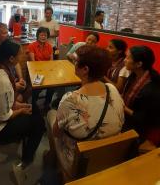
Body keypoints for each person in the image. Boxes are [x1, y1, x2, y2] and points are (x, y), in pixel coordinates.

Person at [47, 45, 124, 176]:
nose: (74, 63)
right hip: (109, 158)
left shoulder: (70, 99)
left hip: (80, 164)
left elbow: (56, 133)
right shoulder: (112, 89)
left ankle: (52, 161)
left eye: (76, 61)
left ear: (85, 69)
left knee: (50, 115)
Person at [0, 39, 45, 167]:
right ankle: (27, 159)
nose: (23, 55)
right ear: (11, 58)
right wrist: (20, 110)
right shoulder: (2, 81)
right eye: (20, 54)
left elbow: (5, 102)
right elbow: (4, 117)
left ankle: (35, 132)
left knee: (34, 108)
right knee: (38, 123)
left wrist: (19, 106)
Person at [123, 46, 160, 146]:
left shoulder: (152, 88)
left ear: (139, 64)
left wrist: (123, 107)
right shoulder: (134, 75)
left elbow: (145, 119)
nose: (124, 60)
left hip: (140, 128)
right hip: (129, 119)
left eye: (128, 58)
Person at [28, 27, 54, 110]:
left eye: (45, 35)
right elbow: (33, 62)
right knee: (37, 87)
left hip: (47, 72)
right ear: (37, 35)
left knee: (53, 86)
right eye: (41, 35)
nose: (43, 37)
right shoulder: (32, 46)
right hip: (37, 71)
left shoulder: (49, 46)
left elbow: (51, 61)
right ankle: (34, 103)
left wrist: (48, 72)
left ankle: (47, 103)